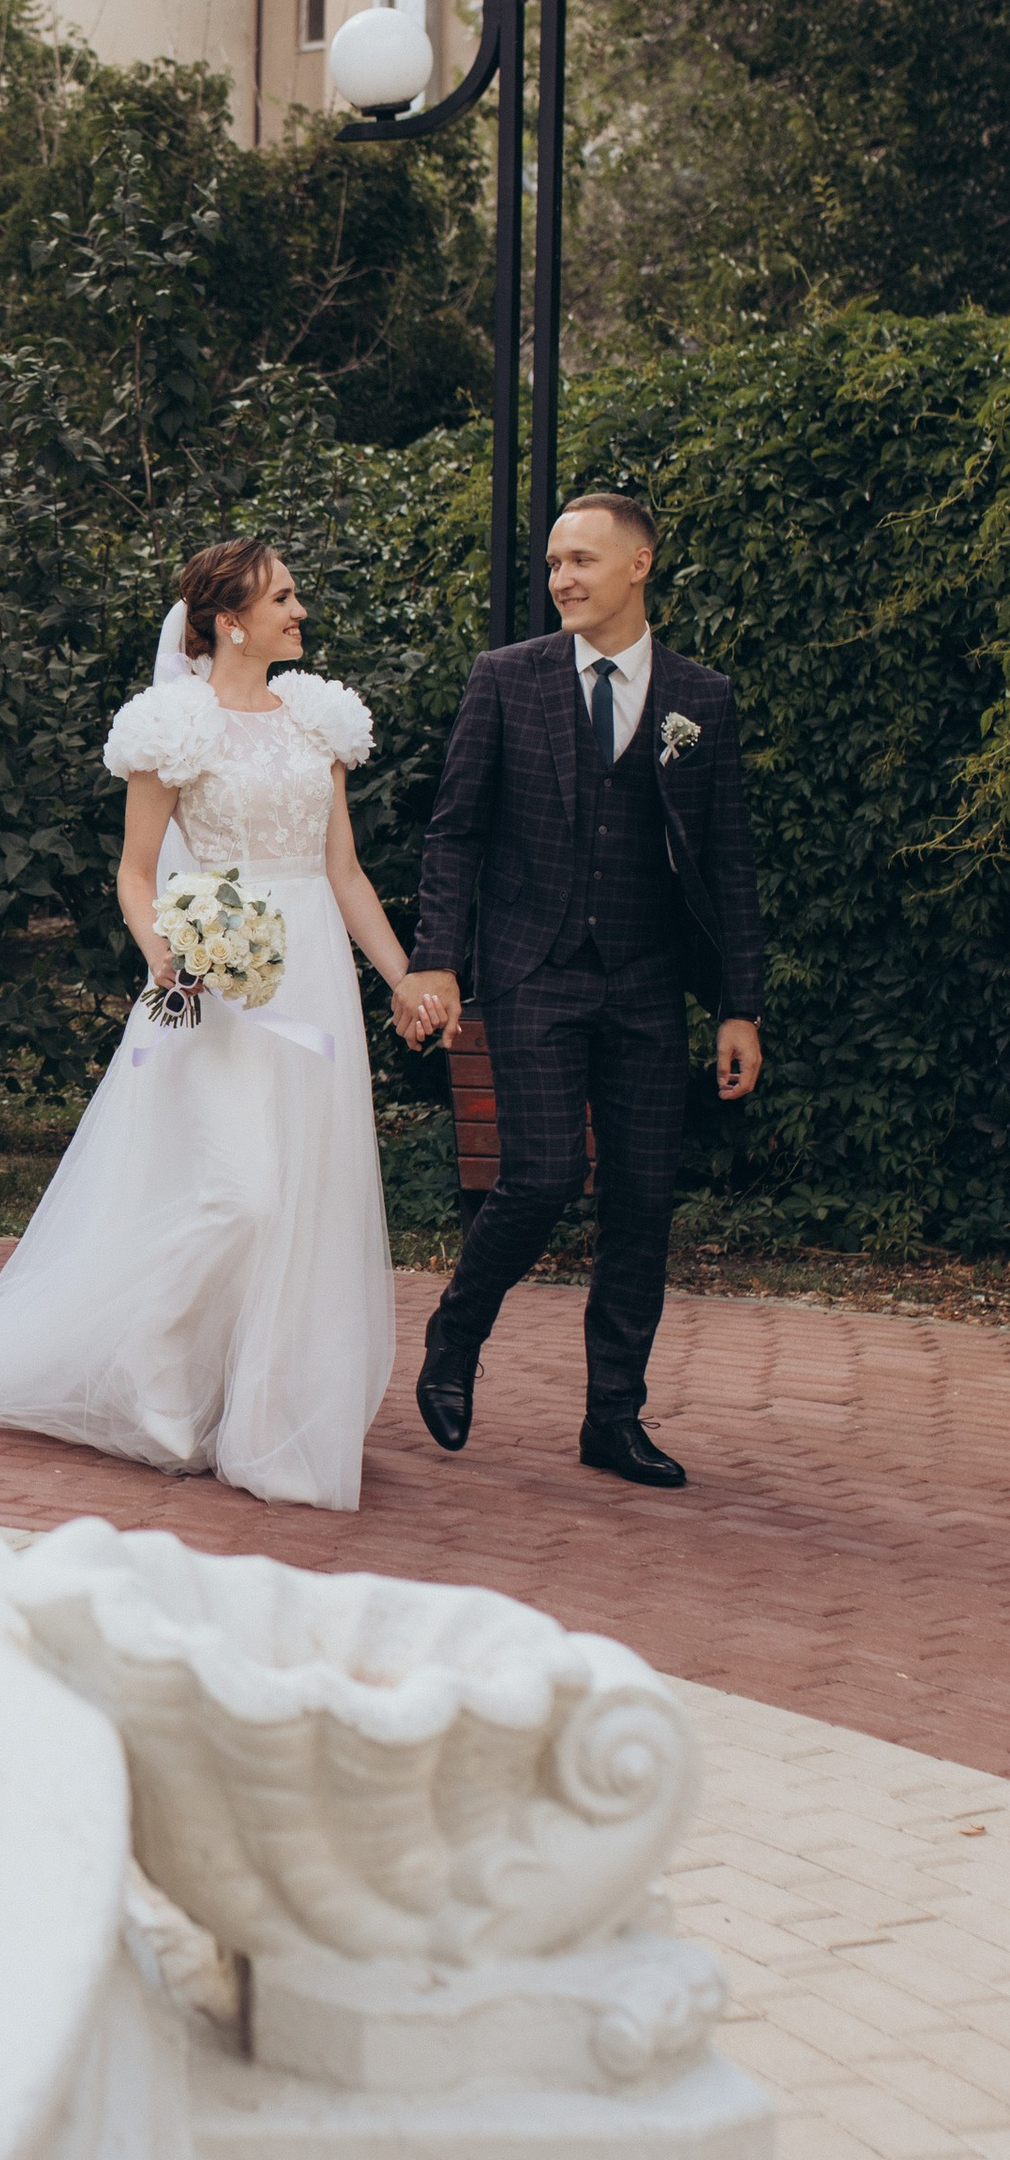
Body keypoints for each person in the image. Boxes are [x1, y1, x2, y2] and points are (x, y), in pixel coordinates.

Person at [0, 536, 439, 1511]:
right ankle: (150, 1356)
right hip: (219, 990)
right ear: (229, 621)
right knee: (242, 1197)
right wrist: (167, 951)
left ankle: (267, 1411)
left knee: (303, 1199)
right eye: (282, 598)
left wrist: (402, 976)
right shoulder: (174, 728)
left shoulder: (318, 721)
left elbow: (343, 872)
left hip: (312, 978)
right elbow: (135, 872)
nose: (300, 612)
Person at [395, 491, 765, 1490]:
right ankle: (455, 1334)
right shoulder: (504, 678)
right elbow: (455, 833)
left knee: (643, 1200)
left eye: (581, 561)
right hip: (534, 968)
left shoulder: (700, 697)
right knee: (545, 1175)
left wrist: (739, 1005)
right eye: (554, 562)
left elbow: (728, 859)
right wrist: (437, 957)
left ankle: (613, 1418)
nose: (561, 578)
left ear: (639, 564)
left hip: (648, 982)